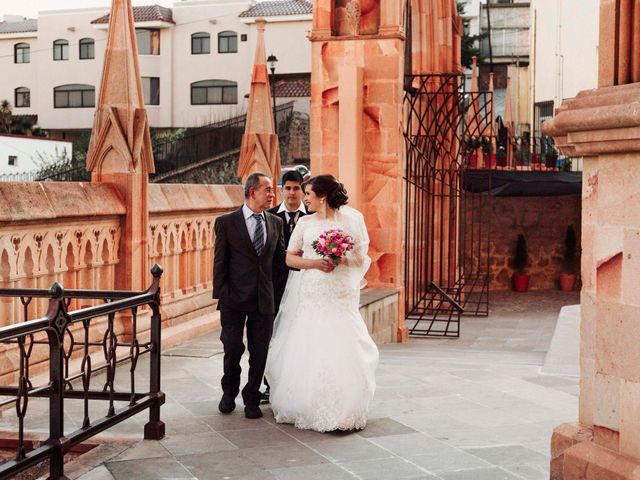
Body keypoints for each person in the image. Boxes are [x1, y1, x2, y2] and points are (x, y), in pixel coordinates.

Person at [265, 175, 379, 431]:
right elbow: (290, 259)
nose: (305, 199)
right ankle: (308, 404)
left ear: (322, 197)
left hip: (339, 294)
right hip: (312, 292)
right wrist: (315, 263)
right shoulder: (305, 223)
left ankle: (346, 405)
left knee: (343, 343)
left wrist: (340, 258)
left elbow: (361, 259)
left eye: (308, 194)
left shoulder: (352, 220)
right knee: (310, 344)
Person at [212, 172, 287, 419]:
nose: (272, 194)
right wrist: (222, 295)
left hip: (264, 299)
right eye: (268, 190)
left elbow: (281, 261)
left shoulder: (275, 222)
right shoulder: (226, 222)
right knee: (232, 349)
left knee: (260, 351)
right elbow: (220, 263)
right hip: (233, 300)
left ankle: (252, 397)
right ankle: (228, 392)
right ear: (252, 191)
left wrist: (314, 263)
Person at [260, 170, 307, 404]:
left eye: (296, 188)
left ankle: (300, 384)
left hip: (305, 288)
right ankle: (271, 385)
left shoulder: (314, 218)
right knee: (274, 335)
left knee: (301, 335)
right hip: (274, 288)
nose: (291, 193)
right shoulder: (268, 216)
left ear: (302, 189)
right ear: (281, 190)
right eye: (287, 188)